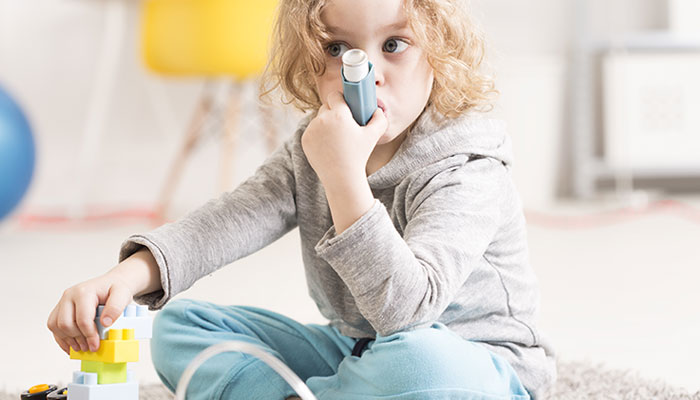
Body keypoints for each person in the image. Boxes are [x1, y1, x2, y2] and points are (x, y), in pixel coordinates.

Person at [47, 0, 557, 398]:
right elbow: (228, 221)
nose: (365, 73)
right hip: (358, 351)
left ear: (439, 56)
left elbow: (408, 312)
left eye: (394, 44)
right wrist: (125, 277)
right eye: (337, 49)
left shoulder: (467, 166)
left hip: (474, 365)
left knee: (419, 363)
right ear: (309, 62)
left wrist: (343, 176)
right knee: (181, 328)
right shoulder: (311, 148)